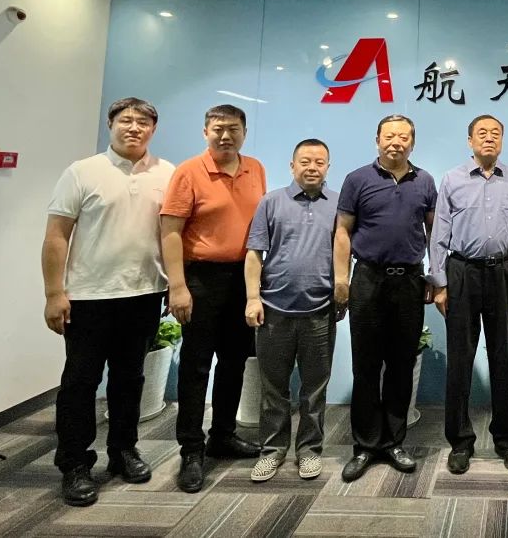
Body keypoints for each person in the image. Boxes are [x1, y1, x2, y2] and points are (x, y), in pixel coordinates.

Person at [42, 98, 174, 507]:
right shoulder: (82, 171)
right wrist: (53, 293)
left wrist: (173, 284)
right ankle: (75, 463)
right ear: (110, 124)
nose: (134, 128)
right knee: (80, 382)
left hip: (144, 294)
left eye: (143, 122)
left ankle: (123, 450)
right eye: (126, 120)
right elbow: (57, 235)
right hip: (89, 297)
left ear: (153, 129)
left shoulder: (167, 173)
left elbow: (172, 235)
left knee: (129, 379)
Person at [161, 104, 267, 493]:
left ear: (244, 132)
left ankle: (222, 435)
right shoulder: (189, 171)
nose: (226, 136)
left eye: (233, 129)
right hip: (201, 279)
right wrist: (177, 286)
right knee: (196, 366)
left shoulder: (255, 168)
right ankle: (191, 449)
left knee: (234, 362)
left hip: (243, 278)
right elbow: (170, 231)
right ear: (206, 131)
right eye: (218, 128)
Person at [333, 114, 437, 482]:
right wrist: (341, 278)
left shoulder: (424, 181)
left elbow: (434, 233)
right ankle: (364, 445)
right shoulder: (357, 179)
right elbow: (343, 232)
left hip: (409, 281)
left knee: (400, 364)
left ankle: (393, 442)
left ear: (413, 142)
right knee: (365, 365)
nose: (396, 142)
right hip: (368, 279)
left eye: (404, 136)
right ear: (377, 139)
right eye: (390, 136)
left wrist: (435, 277)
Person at [429, 114, 508, 475]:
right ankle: (460, 441)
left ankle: (507, 439)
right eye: (482, 133)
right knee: (460, 359)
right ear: (470, 141)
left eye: (495, 133)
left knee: (504, 356)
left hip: (504, 271)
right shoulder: (452, 179)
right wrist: (440, 283)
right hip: (462, 272)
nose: (489, 138)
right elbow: (439, 234)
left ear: (502, 140)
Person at [244, 139, 338, 483]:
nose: (312, 167)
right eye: (305, 161)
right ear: (292, 165)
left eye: (319, 162)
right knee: (274, 388)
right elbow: (254, 253)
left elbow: (346, 254)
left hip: (320, 311)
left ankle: (309, 450)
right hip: (274, 310)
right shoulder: (271, 202)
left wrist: (342, 294)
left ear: (328, 167)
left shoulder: (339, 204)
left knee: (314, 389)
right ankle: (272, 450)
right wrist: (252, 298)